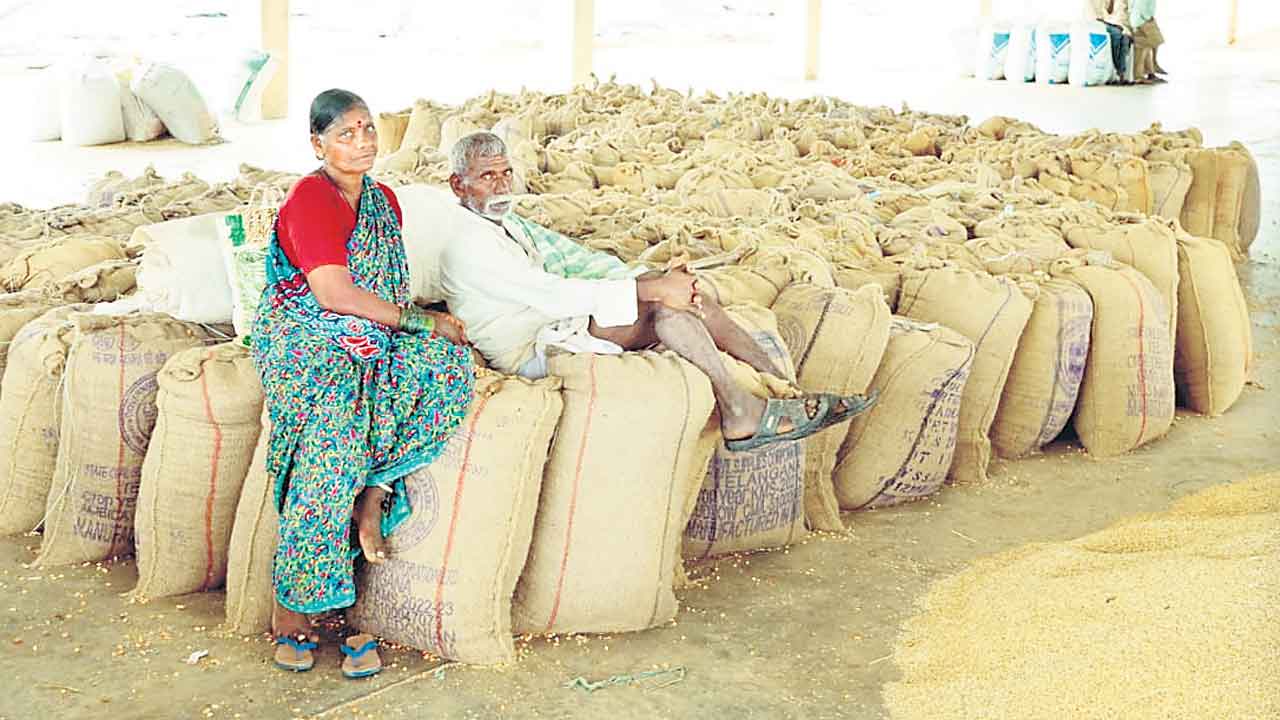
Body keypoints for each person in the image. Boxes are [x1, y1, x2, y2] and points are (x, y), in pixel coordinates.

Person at [441, 131, 876, 452]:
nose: (500, 186)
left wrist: (650, 277)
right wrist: (650, 288)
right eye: (486, 177)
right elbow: (553, 294)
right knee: (664, 307)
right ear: (458, 185)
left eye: (505, 174)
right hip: (532, 348)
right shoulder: (468, 243)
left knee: (691, 297)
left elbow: (574, 262)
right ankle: (739, 409)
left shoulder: (508, 224)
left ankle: (788, 390)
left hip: (556, 321)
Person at [251, 89, 474, 677]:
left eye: (369, 129)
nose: (363, 142)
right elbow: (332, 294)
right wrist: (424, 320)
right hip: (306, 333)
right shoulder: (310, 199)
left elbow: (385, 290)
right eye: (346, 133)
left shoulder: (384, 202)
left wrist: (423, 327)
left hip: (368, 330)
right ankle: (294, 614)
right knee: (332, 440)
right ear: (317, 144)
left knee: (446, 367)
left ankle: (374, 493)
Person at [1130, 0, 1166, 84]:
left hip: (1137, 20)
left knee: (1145, 47)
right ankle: (1141, 75)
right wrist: (1148, 18)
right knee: (1145, 47)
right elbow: (1141, 6)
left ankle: (1149, 71)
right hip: (1142, 21)